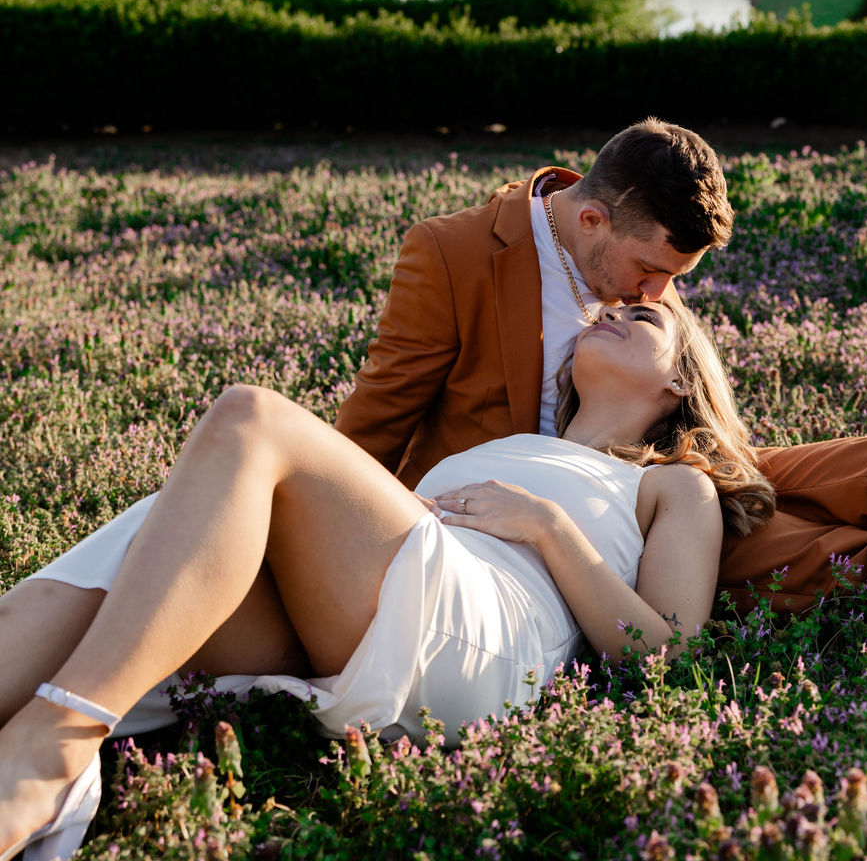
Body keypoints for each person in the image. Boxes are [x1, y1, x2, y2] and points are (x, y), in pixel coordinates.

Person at [0, 295, 772, 861]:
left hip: (487, 640)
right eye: (612, 307)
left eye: (644, 318)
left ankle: (57, 743)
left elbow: (670, 656)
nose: (614, 310)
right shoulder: (502, 444)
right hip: (379, 603)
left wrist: (549, 526)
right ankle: (40, 751)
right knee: (152, 540)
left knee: (249, 417)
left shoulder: (675, 486)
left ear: (679, 382)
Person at [337, 116, 867, 638]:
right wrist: (354, 540)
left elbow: (669, 371)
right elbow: (381, 415)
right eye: (652, 271)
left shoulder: (633, 241)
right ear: (591, 219)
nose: (660, 291)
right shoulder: (453, 254)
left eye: (674, 280)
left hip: (668, 456)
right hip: (601, 518)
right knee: (845, 561)